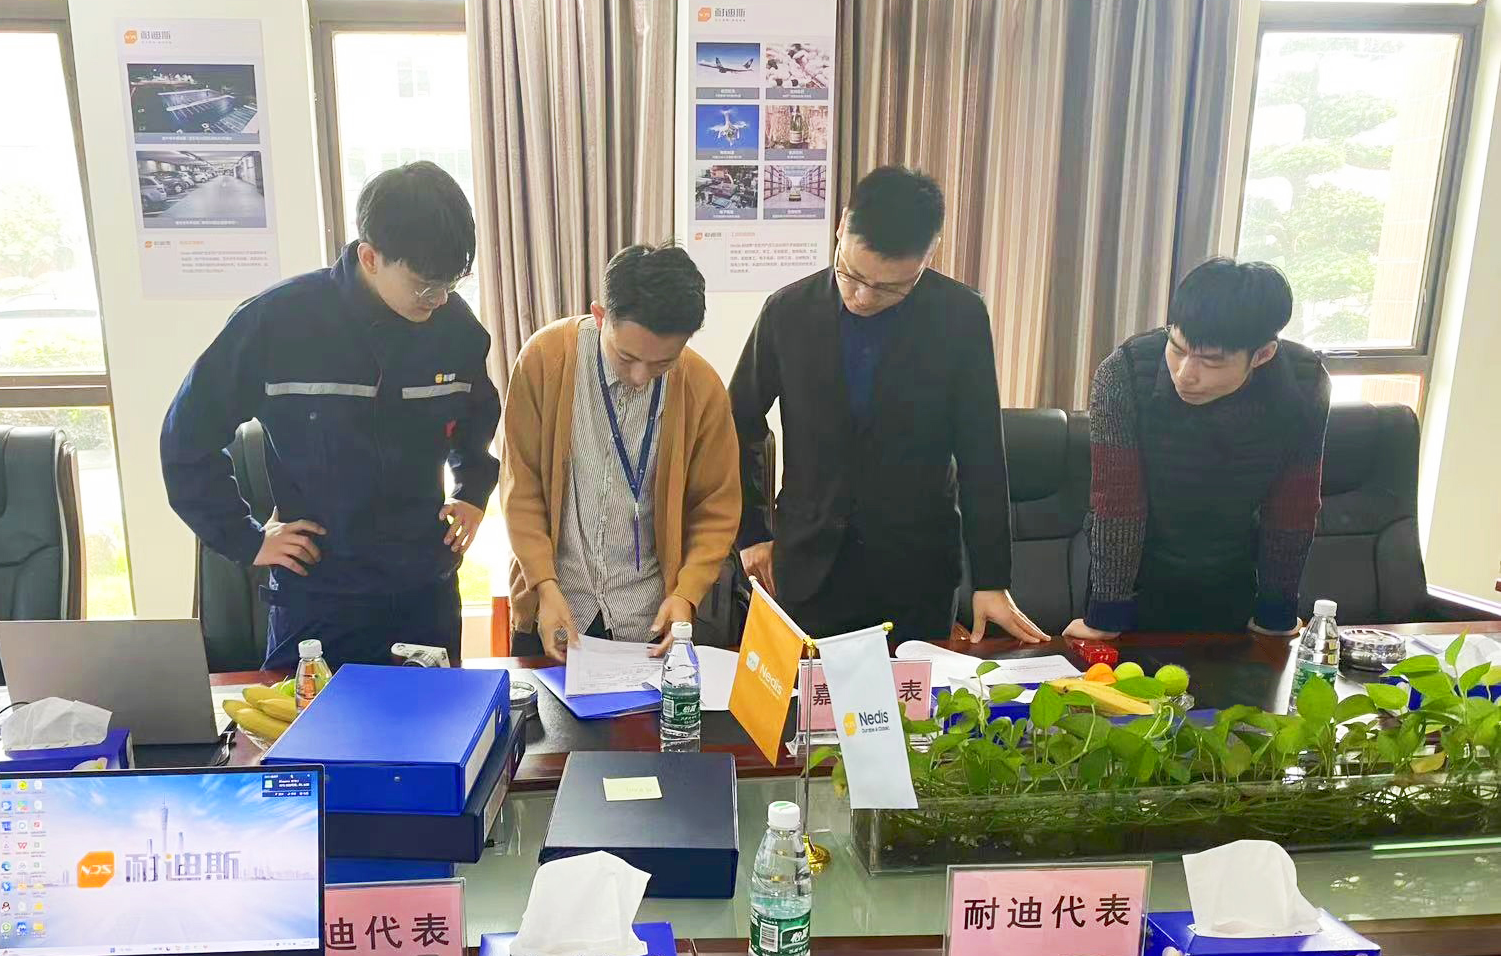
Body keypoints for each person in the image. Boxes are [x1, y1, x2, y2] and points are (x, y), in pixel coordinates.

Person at [161, 162, 499, 668]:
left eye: (451, 284)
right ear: (370, 257)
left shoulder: (455, 328)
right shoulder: (277, 322)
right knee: (305, 720)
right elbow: (187, 437)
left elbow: (477, 414)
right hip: (320, 593)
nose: (439, 299)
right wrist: (245, 539)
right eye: (424, 286)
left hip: (422, 589)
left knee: (434, 717)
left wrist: (473, 489)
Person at [729, 165, 1048, 644]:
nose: (862, 296)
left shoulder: (959, 318)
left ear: (928, 255)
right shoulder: (787, 311)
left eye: (889, 288)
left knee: (913, 693)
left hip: (915, 572)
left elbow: (982, 452)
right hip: (808, 564)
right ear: (842, 226)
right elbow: (739, 421)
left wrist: (991, 579)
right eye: (852, 274)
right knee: (808, 691)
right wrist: (752, 530)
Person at [1065, 258, 1330, 638]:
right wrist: (1105, 617)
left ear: (1262, 355)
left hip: (1234, 580)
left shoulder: (1304, 384)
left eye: (1211, 362)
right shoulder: (1124, 374)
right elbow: (1117, 502)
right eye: (1177, 349)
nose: (1185, 374)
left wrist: (1277, 614)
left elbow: (1293, 506)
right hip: (1137, 583)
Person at [500, 243, 741, 660]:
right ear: (600, 316)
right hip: (556, 606)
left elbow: (716, 508)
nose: (640, 376)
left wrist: (686, 593)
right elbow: (521, 488)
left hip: (649, 619)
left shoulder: (702, 388)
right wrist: (542, 585)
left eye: (662, 363)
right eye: (626, 357)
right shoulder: (544, 361)